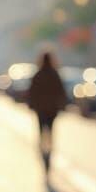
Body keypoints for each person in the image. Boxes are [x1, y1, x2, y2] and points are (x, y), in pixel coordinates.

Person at [27, 50, 67, 180]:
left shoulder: (38, 74)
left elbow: (32, 92)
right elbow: (61, 91)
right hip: (51, 110)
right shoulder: (54, 74)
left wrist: (32, 105)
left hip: (41, 110)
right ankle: (47, 154)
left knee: (41, 133)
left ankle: (44, 155)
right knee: (50, 132)